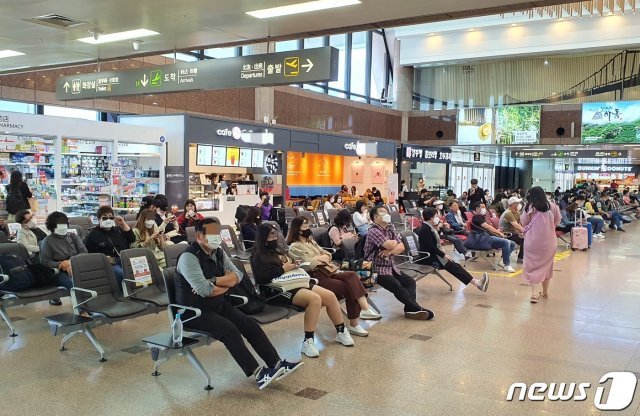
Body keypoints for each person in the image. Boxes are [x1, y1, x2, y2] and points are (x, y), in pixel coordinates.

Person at [175, 219, 303, 389]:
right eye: (211, 234)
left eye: (217, 233)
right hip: (194, 312)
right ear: (199, 236)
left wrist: (215, 282)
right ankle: (258, 373)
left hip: (218, 304)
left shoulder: (218, 252)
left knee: (250, 325)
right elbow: (205, 290)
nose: (216, 237)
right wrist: (225, 286)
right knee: (230, 330)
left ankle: (277, 363)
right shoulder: (188, 258)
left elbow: (237, 276)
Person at [251, 223, 355, 357]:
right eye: (272, 234)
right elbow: (261, 278)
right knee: (314, 299)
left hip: (294, 281)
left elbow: (285, 266)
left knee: (329, 296)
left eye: (275, 233)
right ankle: (308, 340)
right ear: (263, 236)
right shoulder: (258, 256)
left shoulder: (276, 251)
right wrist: (283, 269)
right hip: (277, 289)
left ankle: (341, 331)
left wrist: (293, 265)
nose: (275, 237)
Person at [287, 217, 381, 336]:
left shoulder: (311, 242)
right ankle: (354, 324)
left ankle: (365, 309)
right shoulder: (295, 246)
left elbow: (327, 254)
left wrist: (323, 258)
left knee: (352, 276)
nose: (308, 229)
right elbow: (309, 263)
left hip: (328, 270)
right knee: (349, 287)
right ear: (298, 230)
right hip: (315, 277)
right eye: (305, 227)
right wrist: (320, 258)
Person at [364, 205, 434, 320]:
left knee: (410, 282)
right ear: (376, 217)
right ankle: (416, 308)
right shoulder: (373, 231)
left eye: (387, 212)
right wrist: (392, 245)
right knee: (397, 286)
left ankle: (410, 309)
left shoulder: (389, 230)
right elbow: (390, 244)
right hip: (376, 270)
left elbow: (402, 246)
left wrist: (389, 252)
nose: (387, 214)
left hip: (391, 267)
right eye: (382, 213)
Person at [418, 208, 489, 292]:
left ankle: (478, 283)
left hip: (433, 254)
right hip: (428, 257)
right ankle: (478, 284)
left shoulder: (430, 226)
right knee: (453, 266)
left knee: (454, 265)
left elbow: (435, 244)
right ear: (431, 217)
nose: (438, 217)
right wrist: (443, 255)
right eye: (436, 215)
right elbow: (431, 247)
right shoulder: (425, 229)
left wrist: (441, 226)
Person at [521, 187, 562, 303]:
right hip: (549, 242)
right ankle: (545, 293)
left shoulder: (529, 207)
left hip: (532, 242)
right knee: (547, 266)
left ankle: (534, 294)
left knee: (531, 266)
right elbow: (557, 222)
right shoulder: (552, 206)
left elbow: (524, 222)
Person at [40, 211, 87, 305]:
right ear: (53, 226)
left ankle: (95, 305)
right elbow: (45, 261)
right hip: (60, 271)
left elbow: (84, 252)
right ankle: (83, 309)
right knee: (74, 284)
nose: (64, 226)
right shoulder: (48, 241)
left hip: (77, 266)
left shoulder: (73, 236)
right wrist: (61, 264)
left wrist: (70, 262)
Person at [83, 206, 135, 284]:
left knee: (136, 271)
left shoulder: (117, 230)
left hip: (124, 259)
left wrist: (123, 223)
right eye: (104, 218)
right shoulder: (92, 235)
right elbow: (87, 254)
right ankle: (124, 293)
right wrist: (102, 258)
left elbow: (132, 239)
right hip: (108, 263)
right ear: (98, 219)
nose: (108, 220)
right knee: (121, 274)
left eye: (111, 218)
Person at [470, 202, 516, 272]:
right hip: (482, 239)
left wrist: (497, 230)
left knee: (512, 243)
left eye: (485, 207)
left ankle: (502, 261)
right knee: (506, 242)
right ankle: (507, 265)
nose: (484, 209)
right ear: (477, 209)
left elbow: (487, 229)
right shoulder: (477, 217)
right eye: (482, 207)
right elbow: (488, 227)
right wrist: (499, 233)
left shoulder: (481, 217)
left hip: (487, 237)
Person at [499, 197, 525, 264]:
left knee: (524, 237)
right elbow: (516, 225)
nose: (519, 204)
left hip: (513, 233)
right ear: (513, 204)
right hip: (506, 234)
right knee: (524, 239)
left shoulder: (516, 212)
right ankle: (520, 258)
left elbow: (520, 224)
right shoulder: (508, 213)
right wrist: (526, 232)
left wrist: (522, 231)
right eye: (517, 203)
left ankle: (521, 257)